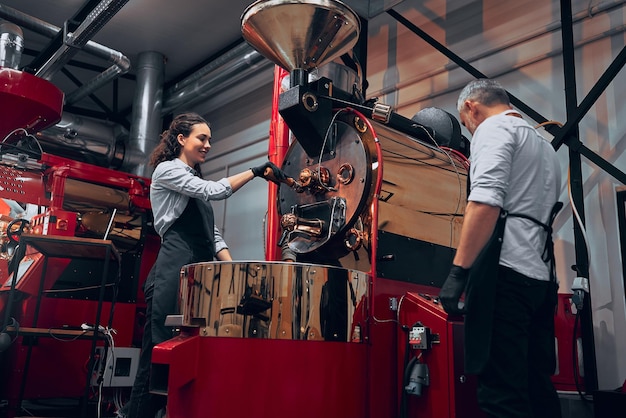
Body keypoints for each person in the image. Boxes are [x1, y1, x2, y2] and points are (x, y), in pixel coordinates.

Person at [118, 112, 286, 418]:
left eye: (210, 139)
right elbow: (216, 191)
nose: (208, 144)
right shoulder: (169, 171)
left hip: (198, 275)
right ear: (181, 139)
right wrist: (255, 171)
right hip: (173, 271)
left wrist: (234, 269)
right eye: (202, 138)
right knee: (162, 361)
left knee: (173, 362)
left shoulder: (192, 181)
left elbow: (213, 235)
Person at [438, 79, 563, 418]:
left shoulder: (493, 129)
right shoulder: (544, 146)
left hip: (504, 277)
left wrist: (458, 272)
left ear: (471, 108)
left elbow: (485, 202)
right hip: (541, 279)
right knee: (537, 386)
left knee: (501, 395)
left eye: (467, 125)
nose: (470, 129)